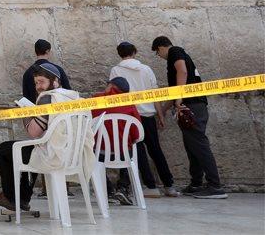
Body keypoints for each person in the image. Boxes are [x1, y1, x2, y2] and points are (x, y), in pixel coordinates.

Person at [0, 63, 90, 212]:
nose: (38, 87)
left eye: (42, 82)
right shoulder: (73, 97)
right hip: (74, 155)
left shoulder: (48, 98)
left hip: (54, 156)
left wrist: (25, 112)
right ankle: (22, 198)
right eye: (36, 83)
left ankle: (10, 197)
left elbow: (34, 132)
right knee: (28, 149)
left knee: (5, 149)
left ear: (55, 81)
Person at [152, 37, 227, 199]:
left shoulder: (175, 51)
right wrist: (163, 110)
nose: (159, 56)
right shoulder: (176, 55)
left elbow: (182, 71)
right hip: (193, 106)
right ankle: (196, 183)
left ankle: (215, 186)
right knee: (192, 146)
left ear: (160, 47)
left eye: (157, 53)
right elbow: (176, 87)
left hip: (191, 106)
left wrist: (179, 98)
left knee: (199, 145)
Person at [109, 41, 178, 197]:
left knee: (137, 151)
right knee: (155, 150)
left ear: (120, 54)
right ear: (135, 51)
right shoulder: (146, 69)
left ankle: (151, 186)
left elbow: (115, 94)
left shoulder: (116, 70)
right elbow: (154, 94)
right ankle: (169, 185)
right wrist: (160, 116)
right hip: (148, 116)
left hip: (129, 117)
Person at [90, 77, 142, 205]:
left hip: (100, 153)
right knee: (134, 150)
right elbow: (137, 133)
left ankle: (108, 191)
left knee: (89, 155)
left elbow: (88, 127)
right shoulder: (129, 103)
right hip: (124, 153)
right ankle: (123, 188)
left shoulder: (95, 100)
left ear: (111, 86)